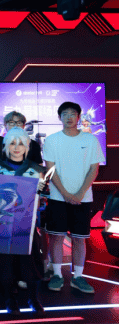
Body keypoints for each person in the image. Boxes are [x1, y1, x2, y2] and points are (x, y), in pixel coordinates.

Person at [43, 102, 103, 295]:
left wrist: (79, 193)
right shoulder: (52, 140)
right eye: (65, 114)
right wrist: (66, 194)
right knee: (56, 237)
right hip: (57, 197)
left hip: (83, 198)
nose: (69, 117)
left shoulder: (90, 140)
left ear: (78, 117)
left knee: (79, 239)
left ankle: (78, 277)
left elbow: (94, 169)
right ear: (59, 117)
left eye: (73, 114)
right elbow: (50, 169)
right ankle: (57, 274)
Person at [0, 127, 46, 313]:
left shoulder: (36, 170)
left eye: (21, 143)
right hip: (4, 225)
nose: (16, 147)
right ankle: (9, 299)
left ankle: (33, 298)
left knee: (31, 263)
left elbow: (40, 199)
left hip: (27, 225)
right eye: (12, 143)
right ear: (6, 146)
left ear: (27, 146)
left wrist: (40, 190)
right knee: (5, 266)